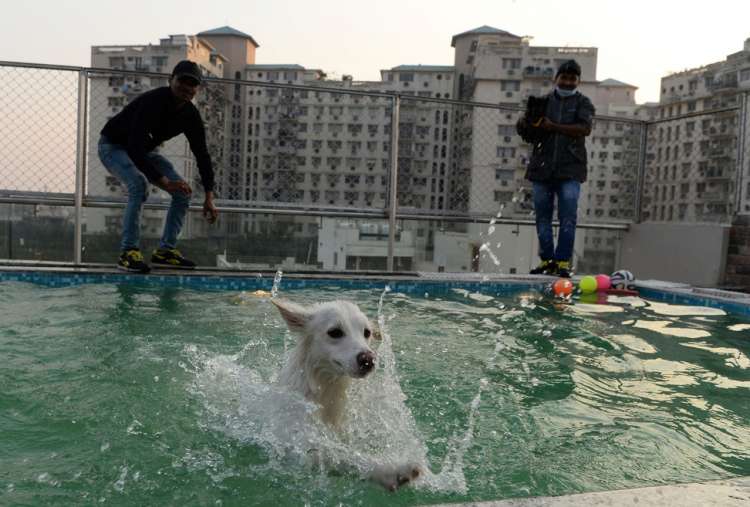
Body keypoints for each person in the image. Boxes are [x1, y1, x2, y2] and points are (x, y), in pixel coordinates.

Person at [98, 60, 219, 273]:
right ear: (170, 80)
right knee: (138, 184)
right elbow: (134, 147)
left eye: (193, 84)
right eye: (183, 81)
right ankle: (128, 252)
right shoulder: (152, 102)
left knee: (183, 192)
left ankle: (165, 252)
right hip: (114, 146)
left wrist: (209, 195)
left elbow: (202, 154)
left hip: (145, 152)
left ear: (197, 88)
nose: (187, 88)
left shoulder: (190, 115)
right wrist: (164, 182)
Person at [516, 59, 595, 278]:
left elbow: (584, 128)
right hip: (542, 168)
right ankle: (547, 260)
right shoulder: (542, 102)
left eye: (572, 79)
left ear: (578, 81)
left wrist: (553, 127)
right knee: (542, 216)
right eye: (564, 77)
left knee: (568, 215)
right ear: (556, 78)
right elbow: (526, 132)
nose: (568, 82)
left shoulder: (583, 103)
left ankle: (562, 261)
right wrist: (527, 123)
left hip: (571, 169)